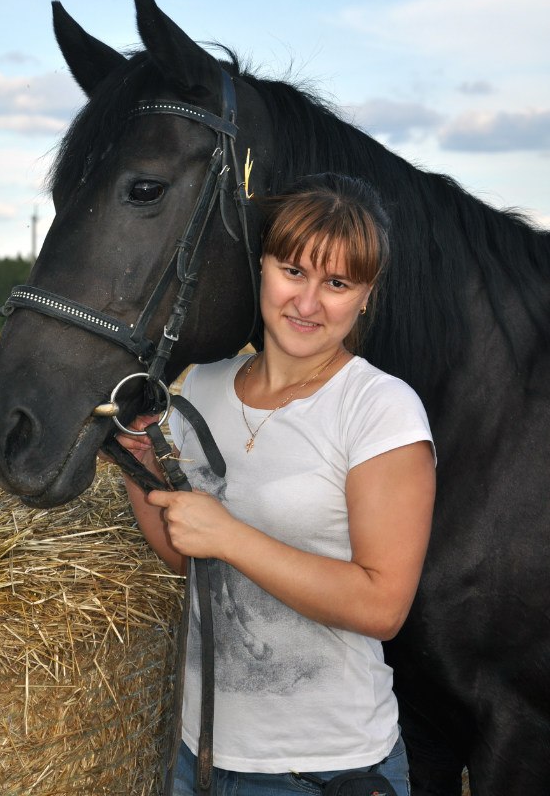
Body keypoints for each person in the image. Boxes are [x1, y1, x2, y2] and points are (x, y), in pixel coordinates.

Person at [111, 173, 436, 796]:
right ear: (261, 268)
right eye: (293, 271)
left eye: (337, 284)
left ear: (366, 296)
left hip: (323, 769)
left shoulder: (379, 409)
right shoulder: (203, 384)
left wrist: (230, 535)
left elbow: (383, 606)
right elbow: (187, 555)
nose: (308, 303)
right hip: (198, 756)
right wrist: (140, 465)